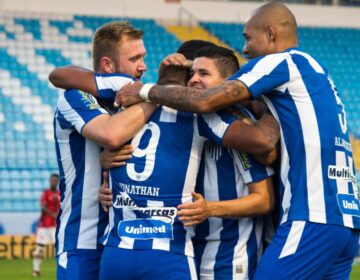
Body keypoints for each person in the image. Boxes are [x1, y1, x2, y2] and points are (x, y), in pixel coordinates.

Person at [116, 2, 360, 279]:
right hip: (346, 219)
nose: (245, 49)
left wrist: (146, 90)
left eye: (248, 38)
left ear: (270, 33)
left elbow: (208, 102)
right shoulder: (316, 69)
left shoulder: (279, 62)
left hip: (312, 214)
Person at [53, 40, 278, 279]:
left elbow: (264, 191)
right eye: (191, 74)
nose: (193, 81)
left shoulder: (235, 124)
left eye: (203, 73)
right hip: (186, 247)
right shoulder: (179, 114)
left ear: (227, 84)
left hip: (226, 257)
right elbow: (63, 76)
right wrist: (109, 174)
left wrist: (211, 209)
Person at [50, 21, 157, 280]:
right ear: (107, 65)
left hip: (126, 241)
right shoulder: (74, 96)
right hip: (82, 240)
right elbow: (110, 134)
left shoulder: (134, 102)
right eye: (134, 58)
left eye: (143, 57)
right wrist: (156, 96)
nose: (142, 65)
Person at [32, 174, 60, 277]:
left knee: (58, 249)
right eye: (52, 180)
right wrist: (52, 214)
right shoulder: (45, 193)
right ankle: (36, 269)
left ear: (57, 181)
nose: (54, 182)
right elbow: (43, 206)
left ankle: (60, 269)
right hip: (44, 225)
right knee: (39, 248)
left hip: (55, 226)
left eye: (55, 180)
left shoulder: (59, 193)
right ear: (50, 181)